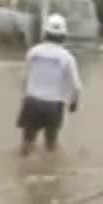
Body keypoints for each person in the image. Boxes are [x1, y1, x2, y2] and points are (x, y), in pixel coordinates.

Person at [16, 13, 82, 155]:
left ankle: (22, 164)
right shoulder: (67, 57)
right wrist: (74, 103)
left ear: (45, 33)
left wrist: (25, 97)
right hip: (54, 105)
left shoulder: (33, 52)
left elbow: (23, 78)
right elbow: (76, 86)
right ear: (63, 35)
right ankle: (50, 167)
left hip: (32, 101)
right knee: (51, 146)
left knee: (26, 144)